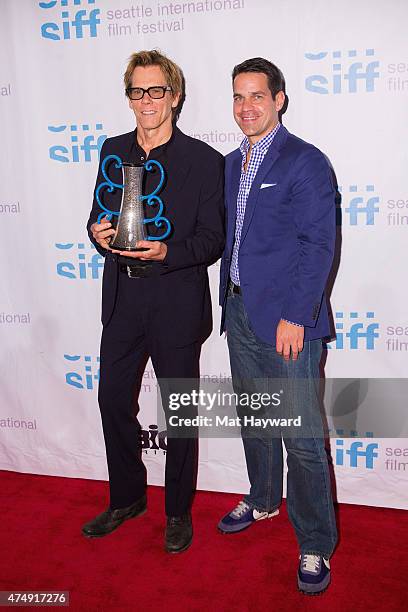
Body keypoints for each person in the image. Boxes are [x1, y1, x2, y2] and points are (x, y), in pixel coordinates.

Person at [82, 50, 224, 553]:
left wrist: (168, 251)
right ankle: (126, 497)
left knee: (180, 412)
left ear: (175, 96)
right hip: (121, 298)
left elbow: (213, 240)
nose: (147, 101)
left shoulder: (205, 161)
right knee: (111, 401)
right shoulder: (112, 149)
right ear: (129, 98)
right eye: (137, 92)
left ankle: (178, 511)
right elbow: (98, 212)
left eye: (156, 90)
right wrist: (97, 232)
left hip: (176, 302)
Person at [218, 57, 337, 594]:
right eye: (239, 97)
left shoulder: (305, 162)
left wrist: (297, 315)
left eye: (258, 96)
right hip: (240, 312)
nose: (247, 107)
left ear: (280, 99)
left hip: (289, 320)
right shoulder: (229, 163)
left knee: (303, 438)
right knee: (256, 419)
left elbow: (318, 246)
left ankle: (315, 543)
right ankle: (264, 498)